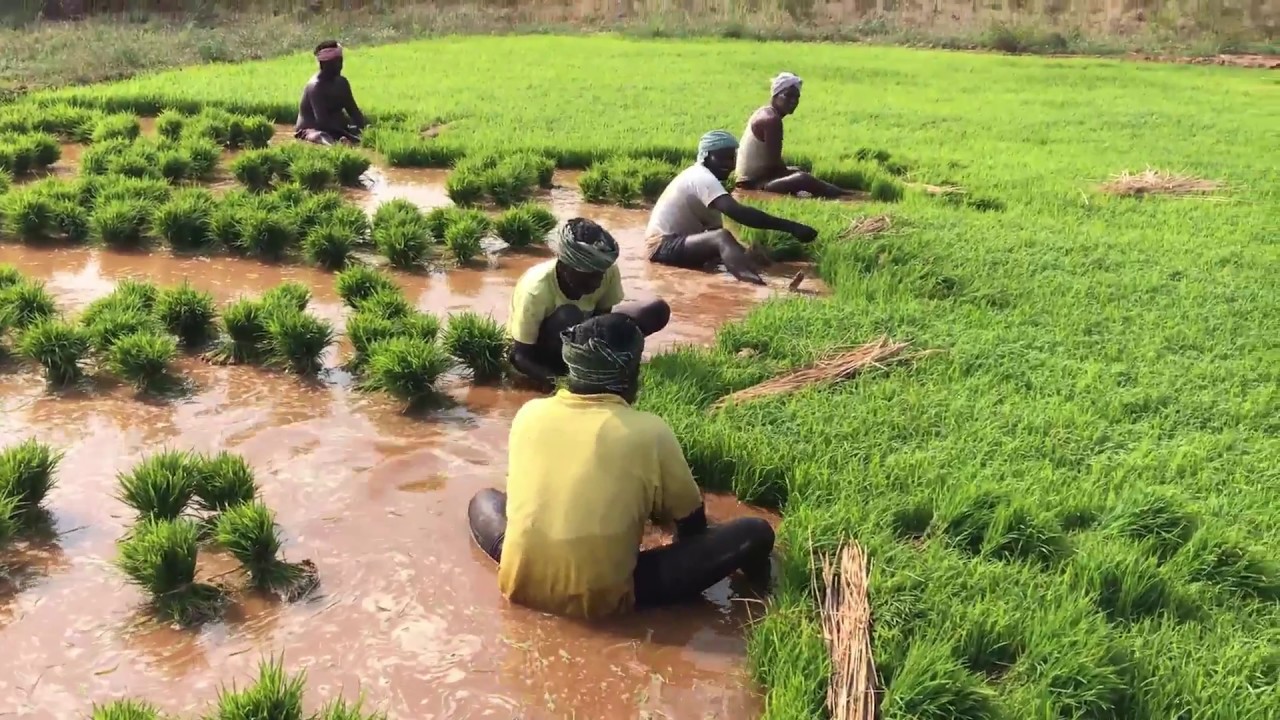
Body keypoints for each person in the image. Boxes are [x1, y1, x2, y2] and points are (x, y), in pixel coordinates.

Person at [469, 313, 775, 619]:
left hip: (519, 581)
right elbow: (692, 525)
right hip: (603, 597)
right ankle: (765, 598)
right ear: (629, 375)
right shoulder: (650, 431)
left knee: (484, 500)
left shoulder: (529, 414)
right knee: (755, 531)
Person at [507, 218, 670, 388]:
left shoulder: (606, 269)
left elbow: (602, 321)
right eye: (589, 276)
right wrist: (561, 385)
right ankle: (572, 370)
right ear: (564, 267)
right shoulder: (536, 289)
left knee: (655, 310)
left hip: (584, 328)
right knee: (568, 315)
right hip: (543, 348)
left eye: (599, 274)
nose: (597, 282)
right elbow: (519, 356)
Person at [645, 130, 818, 286]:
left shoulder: (706, 180)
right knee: (722, 238)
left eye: (732, 158)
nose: (730, 164)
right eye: (722, 158)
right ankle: (756, 286)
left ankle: (755, 276)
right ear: (705, 156)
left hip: (678, 242)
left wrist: (744, 253)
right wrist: (791, 227)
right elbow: (739, 213)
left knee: (738, 249)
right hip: (662, 246)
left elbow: (713, 229)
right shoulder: (702, 178)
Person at [735, 72, 853, 198]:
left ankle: (839, 193)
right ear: (775, 95)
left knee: (799, 173)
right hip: (753, 183)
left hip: (757, 178)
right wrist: (792, 173)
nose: (793, 101)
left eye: (796, 97)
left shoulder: (765, 113)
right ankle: (848, 196)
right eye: (788, 96)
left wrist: (791, 171)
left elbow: (773, 163)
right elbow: (774, 165)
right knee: (803, 178)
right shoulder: (771, 120)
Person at [294, 40, 367, 146]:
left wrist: (364, 128)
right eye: (335, 63)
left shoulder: (342, 83)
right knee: (321, 136)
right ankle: (334, 146)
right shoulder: (315, 87)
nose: (340, 66)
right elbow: (323, 123)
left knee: (355, 129)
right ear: (323, 64)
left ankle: (342, 140)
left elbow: (354, 112)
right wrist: (351, 136)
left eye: (340, 62)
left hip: (337, 128)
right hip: (313, 129)